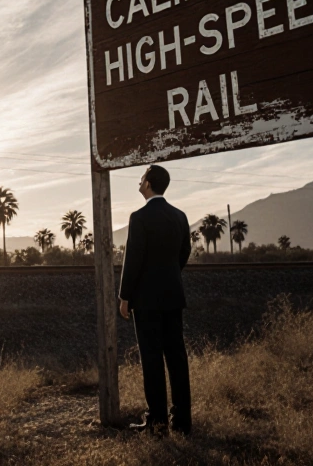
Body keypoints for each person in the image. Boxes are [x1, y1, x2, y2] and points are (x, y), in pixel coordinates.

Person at [118, 164, 192, 436]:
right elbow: (184, 251)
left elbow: (133, 260)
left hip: (146, 301)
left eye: (141, 178)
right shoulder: (180, 216)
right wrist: (170, 275)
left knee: (152, 360)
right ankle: (183, 422)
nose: (138, 182)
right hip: (174, 296)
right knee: (177, 358)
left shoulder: (139, 217)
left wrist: (125, 296)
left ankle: (157, 422)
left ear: (148, 184)